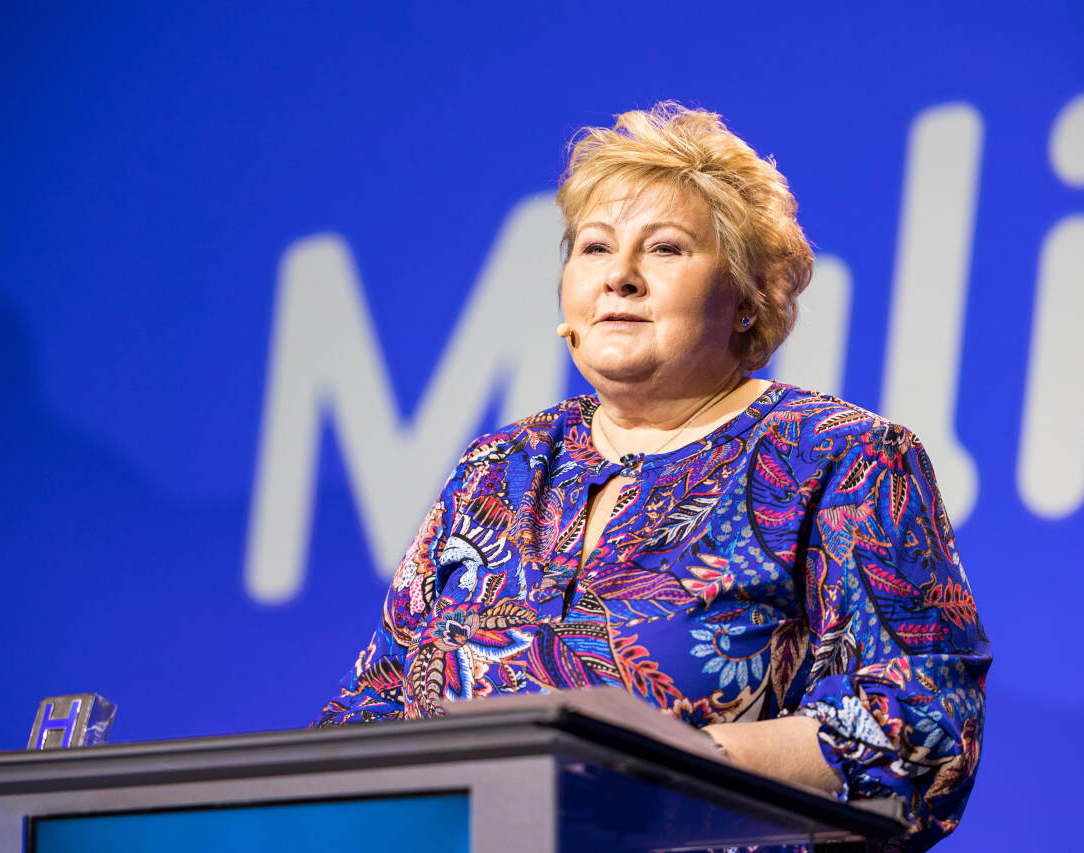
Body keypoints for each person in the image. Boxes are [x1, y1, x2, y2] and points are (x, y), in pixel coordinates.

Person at [315, 102, 990, 850]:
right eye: (594, 248)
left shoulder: (843, 460)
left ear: (747, 296)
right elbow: (372, 709)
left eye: (664, 249)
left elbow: (923, 727)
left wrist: (662, 767)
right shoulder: (495, 470)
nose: (620, 278)